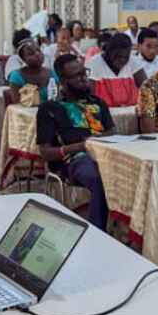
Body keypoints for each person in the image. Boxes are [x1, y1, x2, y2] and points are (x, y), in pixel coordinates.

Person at [36, 55, 115, 230]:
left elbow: (111, 131)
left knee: (128, 172)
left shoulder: (98, 103)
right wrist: (80, 146)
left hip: (103, 153)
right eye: (77, 75)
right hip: (74, 160)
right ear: (63, 81)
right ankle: (98, 232)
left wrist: (97, 142)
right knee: (100, 178)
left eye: (84, 73)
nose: (84, 79)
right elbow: (46, 152)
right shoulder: (50, 108)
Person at [86, 34, 146, 107]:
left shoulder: (134, 61)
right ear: (109, 52)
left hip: (131, 113)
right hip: (104, 113)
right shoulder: (94, 63)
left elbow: (147, 89)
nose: (122, 60)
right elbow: (88, 95)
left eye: (125, 57)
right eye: (118, 56)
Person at [8, 37, 58, 104]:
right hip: (25, 113)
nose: (37, 54)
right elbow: (16, 104)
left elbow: (57, 99)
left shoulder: (51, 73)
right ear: (23, 59)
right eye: (31, 53)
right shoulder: (16, 76)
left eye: (39, 50)